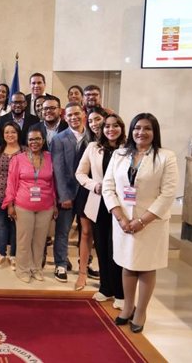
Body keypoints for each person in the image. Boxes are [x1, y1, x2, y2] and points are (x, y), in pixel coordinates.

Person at [102, 113, 178, 333]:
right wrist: (121, 217)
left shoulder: (166, 157)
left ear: (154, 132)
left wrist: (142, 221)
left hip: (150, 222)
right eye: (137, 128)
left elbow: (168, 193)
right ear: (131, 131)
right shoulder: (119, 154)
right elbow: (108, 187)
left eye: (147, 129)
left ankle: (141, 311)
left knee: (145, 267)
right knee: (127, 264)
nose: (141, 133)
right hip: (123, 221)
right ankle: (127, 307)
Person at [77, 114, 126, 306]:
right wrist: (93, 185)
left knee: (117, 248)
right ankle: (105, 288)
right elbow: (80, 173)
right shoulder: (93, 148)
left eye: (115, 126)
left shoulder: (128, 149)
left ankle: (121, 293)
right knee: (103, 247)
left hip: (121, 206)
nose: (110, 129)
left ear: (122, 128)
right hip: (98, 203)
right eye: (107, 126)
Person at [2, 129, 57, 283]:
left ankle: (36, 268)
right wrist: (10, 204)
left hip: (45, 205)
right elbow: (11, 183)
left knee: (40, 241)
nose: (34, 142)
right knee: (24, 239)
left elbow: (53, 182)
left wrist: (55, 203)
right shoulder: (18, 159)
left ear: (43, 140)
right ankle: (23, 269)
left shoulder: (50, 158)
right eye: (31, 139)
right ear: (27, 141)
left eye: (38, 139)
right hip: (23, 204)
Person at [50, 102, 87, 283]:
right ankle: (61, 264)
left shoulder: (93, 137)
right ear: (65, 117)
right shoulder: (59, 139)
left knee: (86, 232)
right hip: (68, 193)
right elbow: (58, 169)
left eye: (77, 114)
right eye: (70, 115)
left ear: (83, 114)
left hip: (88, 194)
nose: (74, 117)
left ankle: (85, 264)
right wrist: (63, 195)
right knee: (63, 231)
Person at [75, 107, 109, 290]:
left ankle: (107, 275)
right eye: (90, 121)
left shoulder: (121, 145)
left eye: (97, 119)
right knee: (86, 233)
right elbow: (80, 172)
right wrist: (94, 185)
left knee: (104, 237)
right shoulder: (89, 144)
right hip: (89, 193)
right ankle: (82, 273)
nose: (94, 123)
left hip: (111, 196)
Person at [0, 121, 25, 270]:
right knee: (1, 225)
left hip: (19, 197)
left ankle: (13, 255)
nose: (10, 135)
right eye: (7, 132)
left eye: (13, 132)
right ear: (3, 135)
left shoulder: (24, 151)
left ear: (18, 134)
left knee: (16, 226)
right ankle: (1, 253)